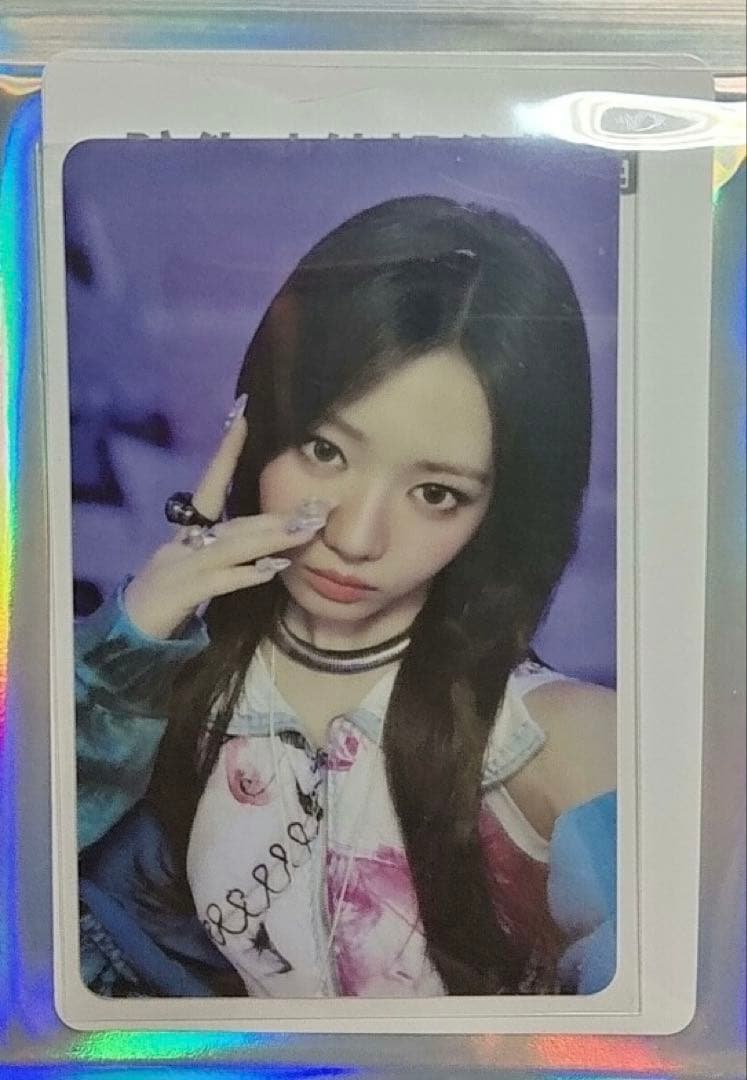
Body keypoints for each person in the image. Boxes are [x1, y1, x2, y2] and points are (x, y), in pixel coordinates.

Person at [74, 194, 616, 1000]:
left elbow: (673, 1010)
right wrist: (130, 648)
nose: (357, 538)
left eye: (436, 493)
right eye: (324, 450)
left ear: (499, 510)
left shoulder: (559, 740)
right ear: (255, 425)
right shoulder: (154, 695)